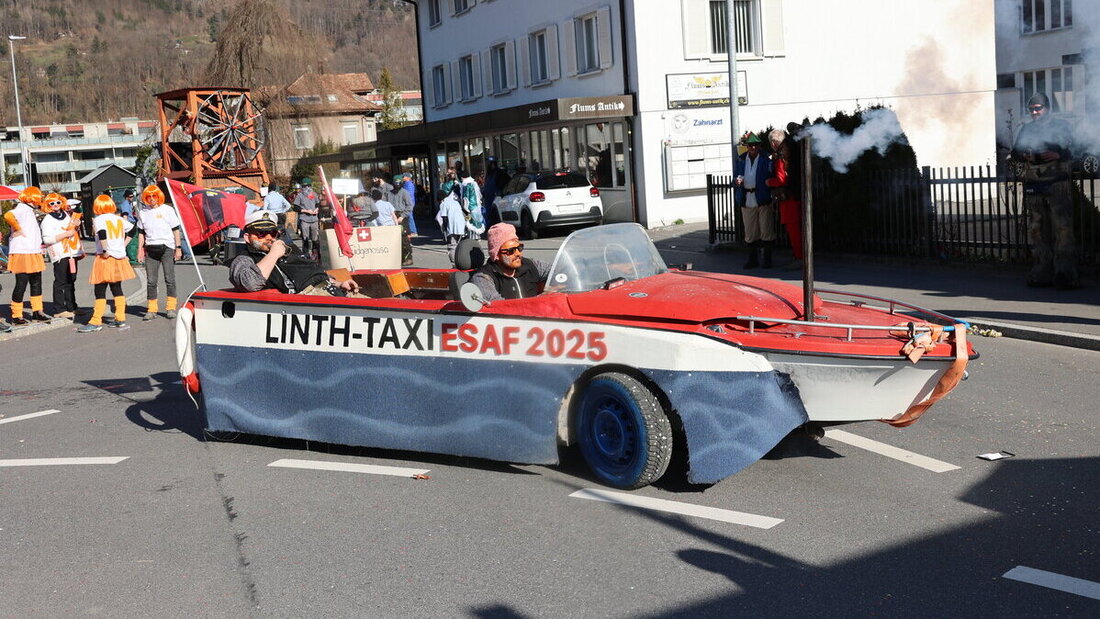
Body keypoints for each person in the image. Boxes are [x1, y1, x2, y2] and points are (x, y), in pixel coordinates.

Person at [1011, 92, 1079, 289]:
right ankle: (1042, 271)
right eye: (1032, 109)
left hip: (1057, 183)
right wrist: (1024, 155)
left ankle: (1065, 273)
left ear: (1047, 108)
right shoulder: (1026, 130)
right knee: (1037, 230)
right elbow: (1015, 152)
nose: (1034, 112)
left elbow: (1076, 148)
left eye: (1038, 108)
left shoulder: (1062, 126)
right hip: (1034, 183)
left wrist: (1059, 154)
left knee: (1063, 228)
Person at [228, 210, 360, 296]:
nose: (269, 237)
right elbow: (250, 283)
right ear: (247, 237)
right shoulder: (244, 259)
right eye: (261, 233)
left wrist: (340, 284)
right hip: (309, 300)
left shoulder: (290, 249)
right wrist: (273, 255)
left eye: (273, 233)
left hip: (330, 290)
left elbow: (313, 273)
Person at [79, 194, 137, 333]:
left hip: (106, 257)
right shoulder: (118, 219)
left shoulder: (99, 219)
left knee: (100, 289)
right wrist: (123, 245)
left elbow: (103, 233)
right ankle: (120, 318)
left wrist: (105, 249)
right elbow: (133, 229)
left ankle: (96, 321)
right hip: (119, 257)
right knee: (117, 288)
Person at [4, 187, 51, 325]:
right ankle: (16, 315)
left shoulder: (28, 210)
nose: (40, 199)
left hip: (32, 251)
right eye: (38, 197)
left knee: (36, 282)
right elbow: (8, 215)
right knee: (22, 284)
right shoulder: (22, 209)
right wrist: (18, 229)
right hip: (23, 251)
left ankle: (37, 311)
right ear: (32, 197)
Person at [136, 185, 182, 321]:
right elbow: (141, 233)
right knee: (151, 281)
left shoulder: (167, 210)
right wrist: (140, 250)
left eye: (154, 196)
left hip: (167, 247)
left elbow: (175, 229)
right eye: (148, 196)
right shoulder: (143, 212)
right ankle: (151, 309)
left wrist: (178, 248)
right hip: (151, 249)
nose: (151, 199)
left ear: (158, 196)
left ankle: (171, 308)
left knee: (170, 279)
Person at [471, 223, 551, 301]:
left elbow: (558, 270)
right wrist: (539, 300)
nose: (518, 254)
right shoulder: (484, 278)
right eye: (511, 251)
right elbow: (498, 307)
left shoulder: (531, 265)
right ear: (496, 255)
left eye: (519, 248)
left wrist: (555, 287)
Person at [765, 125, 805, 270]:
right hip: (795, 195)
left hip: (788, 198)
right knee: (797, 229)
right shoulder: (789, 151)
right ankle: (799, 256)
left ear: (774, 143)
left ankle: (799, 257)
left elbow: (781, 180)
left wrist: (769, 182)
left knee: (793, 229)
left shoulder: (782, 156)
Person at [39, 192, 84, 319]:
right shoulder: (47, 220)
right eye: (52, 203)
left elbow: (72, 230)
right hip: (59, 253)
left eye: (58, 202)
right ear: (47, 205)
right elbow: (47, 239)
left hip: (71, 252)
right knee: (60, 281)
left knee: (71, 279)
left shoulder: (65, 214)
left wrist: (76, 224)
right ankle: (59, 309)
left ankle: (72, 306)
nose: (55, 205)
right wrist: (65, 234)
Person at [734, 132, 775, 269]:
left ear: (759, 146)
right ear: (746, 146)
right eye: (750, 145)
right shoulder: (741, 159)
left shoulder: (766, 159)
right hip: (747, 198)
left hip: (762, 197)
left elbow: (772, 175)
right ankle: (753, 259)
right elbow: (735, 177)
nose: (753, 148)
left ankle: (767, 260)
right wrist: (736, 181)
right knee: (750, 232)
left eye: (755, 145)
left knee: (766, 230)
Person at [436, 183, 472, 264]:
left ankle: (454, 263)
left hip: (452, 227)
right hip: (461, 226)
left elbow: (444, 218)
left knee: (452, 246)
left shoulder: (443, 204)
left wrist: (445, 230)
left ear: (439, 199)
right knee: (459, 245)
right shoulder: (455, 202)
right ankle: (461, 261)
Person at [388, 181, 415, 266]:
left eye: (399, 183)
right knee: (394, 239)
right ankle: (398, 258)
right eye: (396, 183)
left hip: (402, 216)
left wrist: (402, 216)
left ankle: (408, 257)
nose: (397, 185)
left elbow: (410, 205)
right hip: (392, 216)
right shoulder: (389, 193)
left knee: (404, 238)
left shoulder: (405, 192)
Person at [294, 180, 321, 259]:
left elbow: (318, 203)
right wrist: (306, 211)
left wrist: (317, 209)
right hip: (304, 219)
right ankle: (306, 255)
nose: (307, 188)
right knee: (305, 238)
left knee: (315, 238)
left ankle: (315, 254)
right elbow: (295, 207)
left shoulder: (314, 194)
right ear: (302, 187)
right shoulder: (300, 195)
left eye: (308, 186)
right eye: (305, 186)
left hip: (314, 219)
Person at [119, 189, 142, 266]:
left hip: (132, 223)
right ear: (126, 197)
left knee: (132, 241)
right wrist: (126, 226)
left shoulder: (129, 203)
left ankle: (131, 258)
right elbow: (125, 215)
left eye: (133, 196)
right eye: (130, 196)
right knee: (132, 242)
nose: (132, 198)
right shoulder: (125, 204)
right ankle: (133, 259)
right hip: (129, 224)